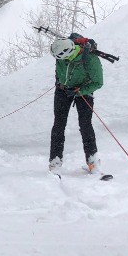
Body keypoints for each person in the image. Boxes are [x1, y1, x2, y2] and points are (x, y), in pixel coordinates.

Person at [48, 37, 103, 173]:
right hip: (62, 90)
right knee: (58, 125)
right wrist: (60, 81)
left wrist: (80, 91)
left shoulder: (91, 59)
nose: (57, 60)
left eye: (58, 57)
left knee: (85, 125)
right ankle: (55, 163)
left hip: (83, 92)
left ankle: (93, 163)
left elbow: (98, 82)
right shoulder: (62, 52)